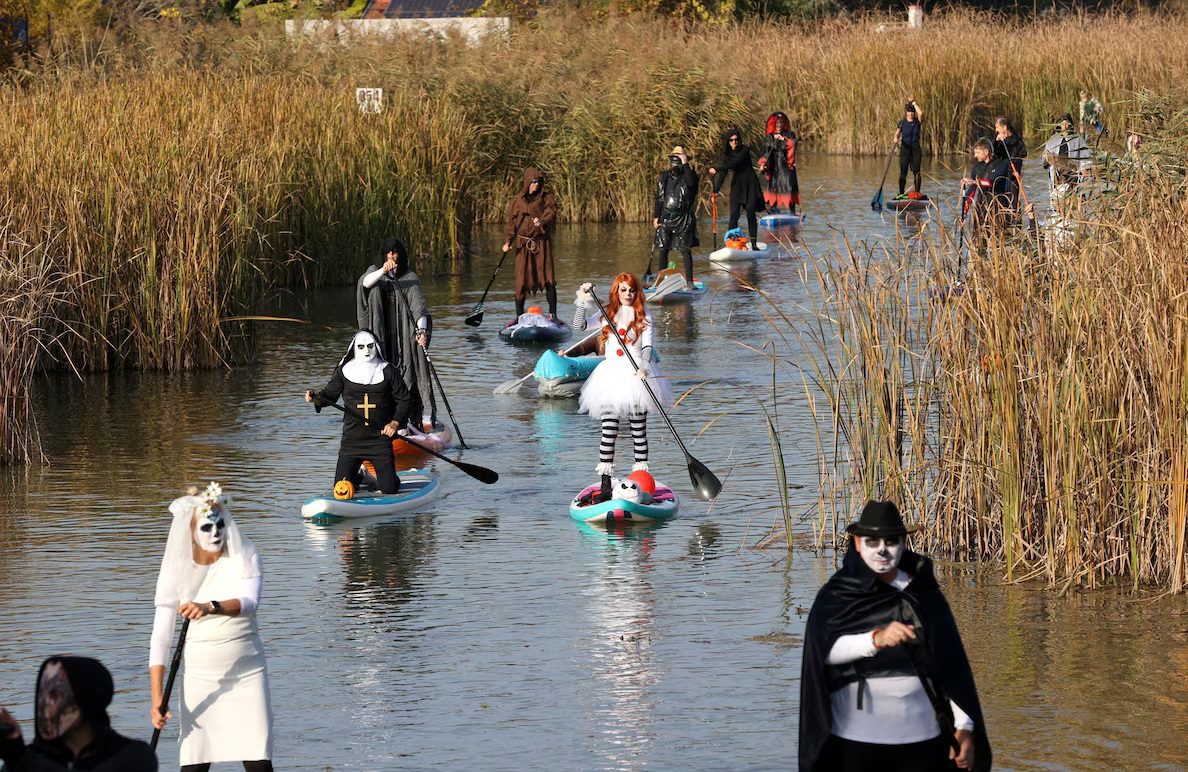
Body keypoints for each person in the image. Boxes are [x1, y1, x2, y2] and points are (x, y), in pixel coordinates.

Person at [799, 501, 992, 772]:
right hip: (855, 742)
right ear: (857, 543)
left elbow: (950, 666)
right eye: (872, 541)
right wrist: (874, 640)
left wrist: (964, 727)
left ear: (903, 543)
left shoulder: (924, 593)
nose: (882, 549)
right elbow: (823, 653)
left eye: (890, 541)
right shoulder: (836, 596)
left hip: (924, 741)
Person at [149, 483, 274, 771]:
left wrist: (209, 607)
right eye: (207, 527)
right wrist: (157, 697)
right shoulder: (176, 569)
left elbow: (250, 601)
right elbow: (161, 638)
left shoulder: (246, 554)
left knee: (258, 763)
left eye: (220, 525)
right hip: (200, 678)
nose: (216, 532)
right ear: (191, 533)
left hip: (248, 673)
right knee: (195, 766)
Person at [573, 274, 672, 496]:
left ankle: (642, 480)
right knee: (609, 430)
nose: (628, 295)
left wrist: (645, 366)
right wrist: (583, 299)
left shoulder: (644, 315)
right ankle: (606, 483)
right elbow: (579, 325)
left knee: (639, 431)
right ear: (617, 292)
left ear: (637, 292)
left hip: (637, 373)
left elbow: (647, 345)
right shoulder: (606, 312)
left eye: (632, 290)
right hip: (611, 375)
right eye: (623, 290)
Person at [0, 657, 157, 771]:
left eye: (57, 696)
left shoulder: (135, 755)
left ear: (87, 702)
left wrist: (21, 760)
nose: (47, 707)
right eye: (43, 695)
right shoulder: (23, 759)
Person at [305, 330, 412, 495]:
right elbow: (329, 396)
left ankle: (390, 478)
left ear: (376, 347)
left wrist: (395, 422)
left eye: (370, 346)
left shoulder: (389, 371)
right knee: (342, 488)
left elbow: (404, 400)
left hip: (380, 440)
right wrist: (315, 398)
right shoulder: (344, 371)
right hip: (351, 442)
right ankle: (360, 476)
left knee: (388, 488)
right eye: (361, 347)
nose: (367, 351)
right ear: (354, 348)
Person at [357, 236, 435, 433]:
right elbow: (364, 285)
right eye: (388, 253)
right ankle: (383, 419)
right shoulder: (374, 274)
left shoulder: (409, 278)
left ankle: (409, 420)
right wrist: (383, 271)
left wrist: (422, 332)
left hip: (405, 337)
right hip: (381, 336)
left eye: (395, 253)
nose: (391, 256)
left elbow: (420, 310)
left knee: (407, 375)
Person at [502, 166, 560, 322]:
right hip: (523, 245)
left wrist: (541, 220)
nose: (536, 184)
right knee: (521, 281)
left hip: (541, 244)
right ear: (527, 182)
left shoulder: (546, 197)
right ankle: (519, 317)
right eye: (533, 182)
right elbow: (512, 223)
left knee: (548, 278)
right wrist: (508, 241)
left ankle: (553, 315)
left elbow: (551, 212)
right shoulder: (517, 201)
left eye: (538, 182)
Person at [708, 128, 765, 250]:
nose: (734, 142)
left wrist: (717, 168)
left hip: (750, 183)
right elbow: (724, 174)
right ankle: (731, 242)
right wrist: (715, 191)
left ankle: (754, 244)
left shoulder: (745, 150)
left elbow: (734, 164)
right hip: (737, 185)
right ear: (728, 142)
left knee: (750, 212)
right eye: (732, 140)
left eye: (736, 140)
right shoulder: (727, 155)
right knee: (734, 214)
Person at [653, 146, 700, 285]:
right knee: (663, 248)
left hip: (684, 218)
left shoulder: (690, 175)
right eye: (674, 158)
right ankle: (660, 281)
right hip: (666, 217)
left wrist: (685, 164)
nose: (676, 162)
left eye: (679, 158)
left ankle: (690, 282)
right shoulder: (665, 176)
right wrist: (657, 217)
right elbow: (660, 197)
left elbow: (691, 183)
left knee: (685, 250)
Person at [961, 138, 1013, 233]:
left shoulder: (1002, 165)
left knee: (997, 237)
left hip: (998, 207)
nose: (975, 155)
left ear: (986, 151)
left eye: (977, 152)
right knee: (979, 239)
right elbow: (971, 192)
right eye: (975, 152)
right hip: (981, 207)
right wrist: (963, 213)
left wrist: (974, 182)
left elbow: (991, 182)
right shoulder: (976, 167)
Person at [757, 111, 800, 215]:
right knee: (773, 187)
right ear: (773, 124)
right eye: (777, 123)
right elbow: (766, 152)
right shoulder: (770, 137)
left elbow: (793, 144)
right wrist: (763, 164)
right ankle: (772, 210)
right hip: (775, 166)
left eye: (781, 123)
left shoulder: (789, 134)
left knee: (789, 187)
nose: (779, 125)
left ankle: (792, 212)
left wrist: (784, 139)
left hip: (787, 167)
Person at [1042, 114, 1093, 194]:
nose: (1065, 127)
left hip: (1073, 174)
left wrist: (1085, 168)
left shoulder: (1077, 139)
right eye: (1063, 124)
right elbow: (1045, 159)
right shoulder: (1053, 140)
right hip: (1057, 176)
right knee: (1058, 199)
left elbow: (1086, 156)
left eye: (1067, 124)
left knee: (1074, 197)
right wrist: (1049, 159)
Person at [992, 115, 1028, 211]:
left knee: (1014, 200)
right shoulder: (999, 142)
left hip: (1013, 175)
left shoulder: (1017, 141)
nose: (996, 130)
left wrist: (1015, 168)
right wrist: (996, 141)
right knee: (1000, 200)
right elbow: (993, 155)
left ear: (1004, 128)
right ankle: (1003, 222)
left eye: (997, 128)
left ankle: (1017, 222)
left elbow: (1023, 154)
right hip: (1000, 176)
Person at [894, 99, 924, 196]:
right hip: (905, 149)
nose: (910, 113)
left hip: (915, 149)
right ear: (906, 112)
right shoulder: (902, 123)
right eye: (909, 111)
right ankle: (901, 193)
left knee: (917, 172)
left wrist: (914, 103)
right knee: (903, 172)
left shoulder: (917, 122)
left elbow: (921, 113)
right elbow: (897, 133)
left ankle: (917, 193)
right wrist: (895, 138)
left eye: (912, 112)